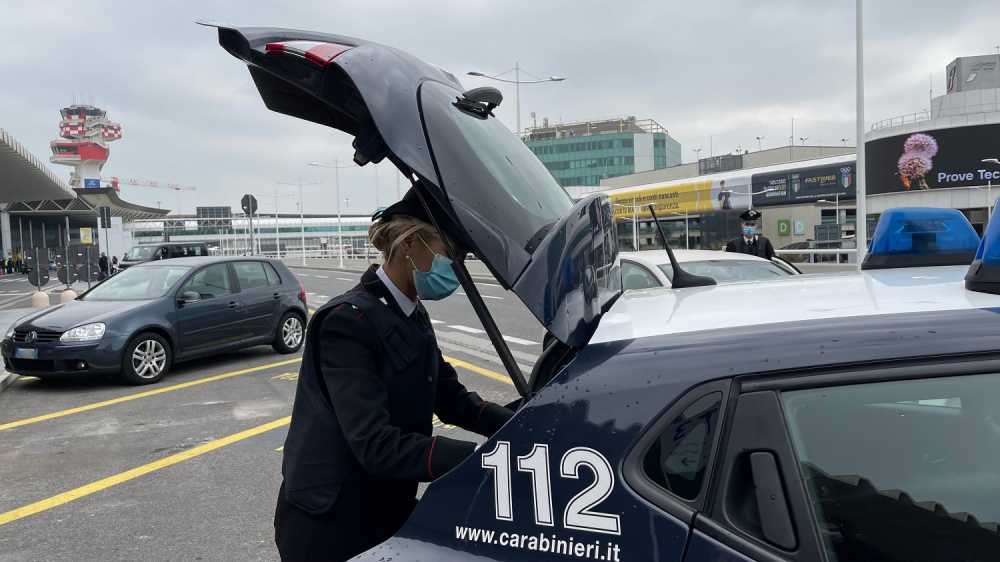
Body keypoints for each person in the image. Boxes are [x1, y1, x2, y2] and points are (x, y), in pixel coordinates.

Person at [274, 189, 514, 562]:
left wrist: (519, 425)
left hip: (383, 506)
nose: (456, 267)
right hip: (329, 523)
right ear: (410, 244)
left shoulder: (410, 312)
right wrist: (478, 459)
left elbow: (451, 399)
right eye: (450, 253)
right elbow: (374, 443)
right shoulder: (347, 322)